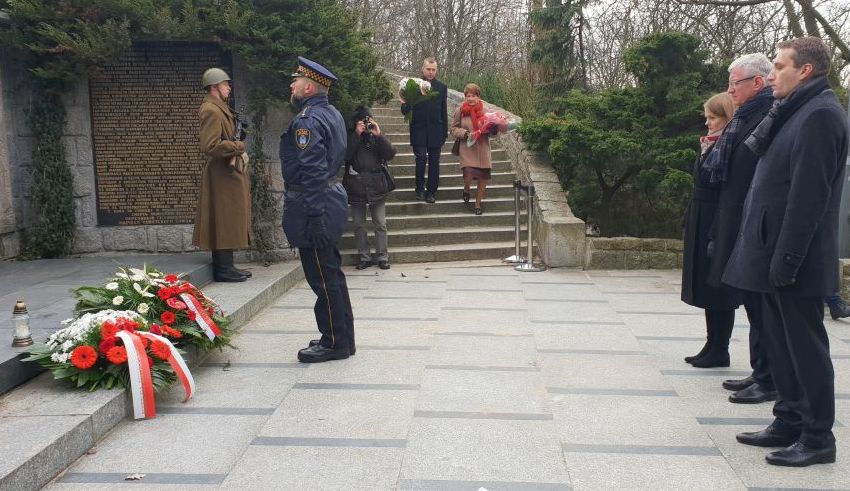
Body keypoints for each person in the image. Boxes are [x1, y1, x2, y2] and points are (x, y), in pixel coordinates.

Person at [724, 37, 848, 467]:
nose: (772, 74)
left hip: (795, 259)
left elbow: (808, 199)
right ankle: (789, 420)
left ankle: (817, 438)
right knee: (782, 345)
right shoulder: (794, 112)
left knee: (806, 349)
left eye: (779, 66)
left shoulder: (821, 116)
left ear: (805, 71)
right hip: (771, 253)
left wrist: (788, 259)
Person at [703, 54, 777, 404]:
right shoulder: (745, 117)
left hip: (752, 221)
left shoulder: (766, 114)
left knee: (761, 307)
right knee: (752, 302)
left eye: (736, 82)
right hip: (735, 216)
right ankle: (760, 371)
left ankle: (768, 376)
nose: (730, 89)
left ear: (757, 83)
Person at [279, 57, 355, 363]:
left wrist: (312, 215)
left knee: (323, 277)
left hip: (315, 202)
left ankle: (334, 342)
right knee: (332, 274)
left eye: (296, 80)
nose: (292, 85)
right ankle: (341, 337)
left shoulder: (307, 120)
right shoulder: (331, 113)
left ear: (309, 87)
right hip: (328, 198)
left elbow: (311, 170)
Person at [680, 92, 738, 368]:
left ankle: (720, 348)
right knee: (704, 283)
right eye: (707, 117)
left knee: (719, 288)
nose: (707, 123)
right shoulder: (711, 145)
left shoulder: (729, 146)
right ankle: (711, 343)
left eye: (713, 118)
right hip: (701, 215)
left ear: (727, 118)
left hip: (716, 217)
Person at [192, 67, 252, 283]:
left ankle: (228, 265)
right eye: (226, 84)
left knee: (227, 219)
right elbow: (209, 145)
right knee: (224, 218)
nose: (229, 88)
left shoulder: (220, 108)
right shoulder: (211, 109)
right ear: (215, 86)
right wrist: (237, 145)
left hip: (226, 173)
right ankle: (223, 269)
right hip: (221, 173)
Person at [343, 107, 397, 270]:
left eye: (369, 120)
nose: (367, 124)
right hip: (356, 184)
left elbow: (390, 154)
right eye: (363, 121)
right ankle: (364, 256)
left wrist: (379, 135)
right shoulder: (351, 137)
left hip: (376, 184)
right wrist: (356, 135)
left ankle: (382, 256)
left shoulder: (376, 136)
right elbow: (345, 156)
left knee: (380, 223)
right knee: (359, 224)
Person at [400, 58, 448, 203]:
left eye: (433, 69)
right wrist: (406, 105)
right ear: (423, 69)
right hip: (418, 129)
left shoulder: (441, 87)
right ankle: (419, 189)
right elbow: (405, 109)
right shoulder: (413, 85)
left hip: (436, 129)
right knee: (421, 158)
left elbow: (443, 111)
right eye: (428, 69)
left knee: (434, 161)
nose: (431, 72)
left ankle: (431, 192)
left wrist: (445, 132)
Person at [450, 83, 496, 216]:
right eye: (468, 96)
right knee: (469, 174)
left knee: (483, 177)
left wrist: (492, 129)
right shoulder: (460, 110)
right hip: (467, 148)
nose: (470, 98)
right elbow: (453, 129)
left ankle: (477, 204)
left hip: (482, 148)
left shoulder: (485, 111)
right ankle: (466, 188)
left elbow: (494, 131)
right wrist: (465, 134)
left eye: (473, 95)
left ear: (478, 97)